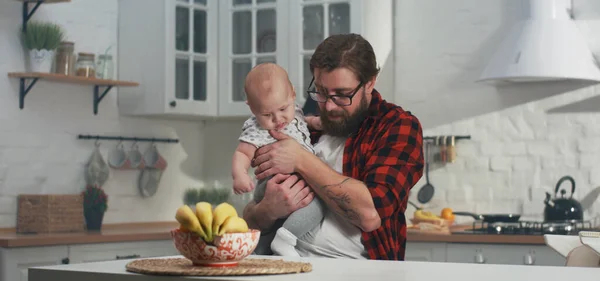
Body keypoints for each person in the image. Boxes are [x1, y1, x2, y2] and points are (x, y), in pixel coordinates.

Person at [242, 33, 425, 260]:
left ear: (369, 83)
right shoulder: (300, 127)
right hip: (278, 264)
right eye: (321, 91)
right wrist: (267, 211)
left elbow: (370, 215)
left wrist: (301, 160)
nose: (328, 106)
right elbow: (249, 218)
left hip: (354, 272)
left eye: (342, 95)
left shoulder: (396, 126)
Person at [231, 62, 327, 256]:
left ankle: (263, 249)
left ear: (292, 93)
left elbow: (302, 120)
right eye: (267, 114)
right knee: (319, 203)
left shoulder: (295, 111)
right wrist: (239, 175)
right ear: (252, 108)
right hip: (274, 182)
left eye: (283, 109)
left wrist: (314, 122)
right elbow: (242, 153)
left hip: (291, 180)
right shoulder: (256, 128)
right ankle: (286, 239)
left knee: (273, 227)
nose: (278, 119)